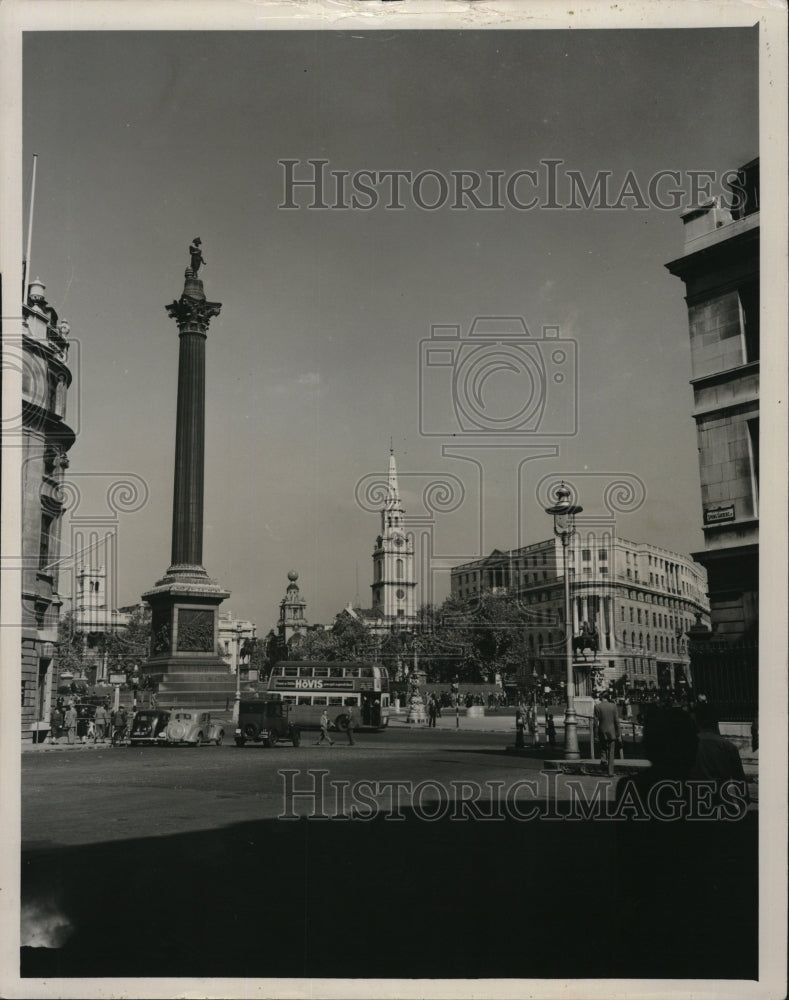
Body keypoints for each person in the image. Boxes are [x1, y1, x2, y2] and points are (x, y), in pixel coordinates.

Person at [594, 691, 621, 776]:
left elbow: (595, 722)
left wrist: (595, 734)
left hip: (602, 730)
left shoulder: (597, 707)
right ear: (608, 697)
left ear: (602, 697)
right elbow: (617, 721)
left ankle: (603, 759)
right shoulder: (613, 706)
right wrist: (618, 733)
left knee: (603, 747)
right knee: (611, 751)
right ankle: (610, 772)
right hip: (611, 731)